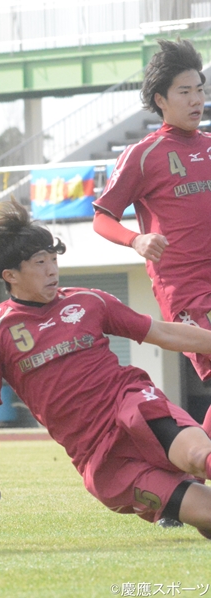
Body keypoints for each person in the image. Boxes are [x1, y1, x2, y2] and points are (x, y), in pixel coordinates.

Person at [0, 199, 211, 539]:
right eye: (40, 263)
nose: (53, 270)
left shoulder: (88, 301)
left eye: (54, 260)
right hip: (100, 459)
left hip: (132, 405)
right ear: (11, 275)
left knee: (199, 456)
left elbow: (163, 332)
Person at [92, 38, 211, 435]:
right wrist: (136, 240)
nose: (196, 99)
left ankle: (189, 466)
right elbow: (102, 218)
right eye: (185, 91)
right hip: (190, 294)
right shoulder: (143, 155)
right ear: (161, 99)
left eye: (200, 89)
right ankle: (192, 463)